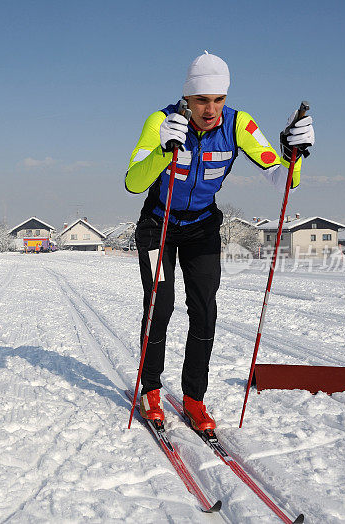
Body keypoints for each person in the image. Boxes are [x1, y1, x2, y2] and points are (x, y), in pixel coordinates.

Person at [125, 52, 314, 431]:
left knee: (205, 311)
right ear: (187, 98)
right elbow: (133, 182)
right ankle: (150, 390)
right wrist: (164, 151)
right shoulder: (161, 121)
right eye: (201, 100)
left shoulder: (239, 124)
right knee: (159, 308)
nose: (210, 109)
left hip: (201, 229)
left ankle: (194, 399)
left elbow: (282, 180)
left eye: (218, 99)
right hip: (157, 225)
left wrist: (293, 156)